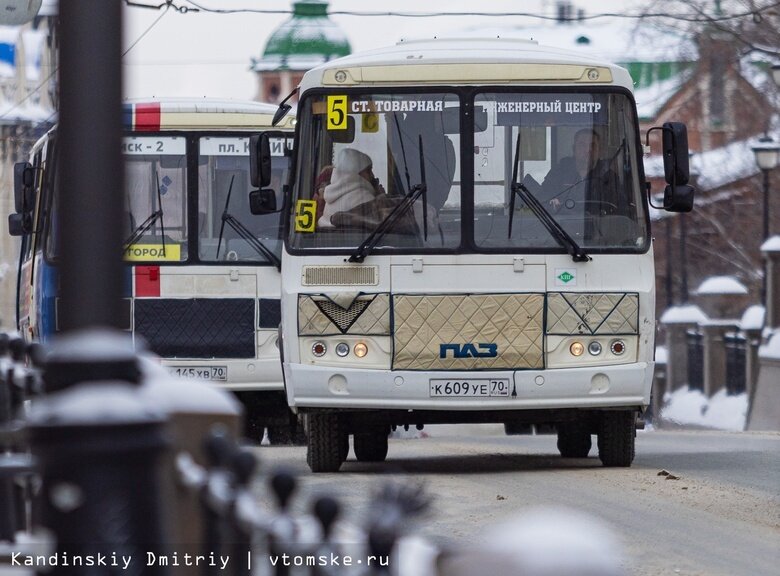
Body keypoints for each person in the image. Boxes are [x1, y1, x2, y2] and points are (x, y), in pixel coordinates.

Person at [540, 128, 623, 217]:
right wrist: (552, 202)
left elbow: (621, 209)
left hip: (597, 224)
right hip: (560, 224)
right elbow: (542, 198)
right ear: (574, 149)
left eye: (593, 145)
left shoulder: (609, 177)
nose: (588, 150)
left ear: (599, 151)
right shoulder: (558, 173)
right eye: (582, 145)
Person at [318, 148, 384, 228]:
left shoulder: (331, 195)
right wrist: (381, 198)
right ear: (356, 172)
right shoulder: (363, 197)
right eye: (368, 171)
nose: (372, 175)